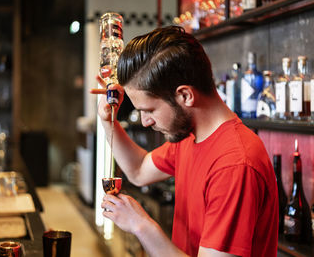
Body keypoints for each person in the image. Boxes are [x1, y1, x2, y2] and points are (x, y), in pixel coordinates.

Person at [90, 26, 278, 257]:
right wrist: (108, 121)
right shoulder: (189, 135)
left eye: (149, 110)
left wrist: (141, 226)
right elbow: (139, 170)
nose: (145, 121)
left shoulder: (235, 164)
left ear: (185, 95)